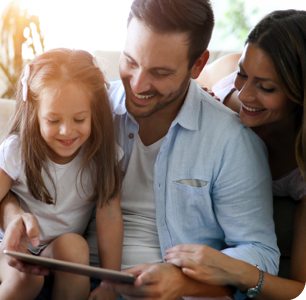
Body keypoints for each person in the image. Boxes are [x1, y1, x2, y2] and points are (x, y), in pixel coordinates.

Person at [0, 1, 280, 299]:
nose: (138, 83)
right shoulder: (85, 107)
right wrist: (14, 216)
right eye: (131, 61)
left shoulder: (231, 141)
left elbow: (261, 254)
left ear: (197, 65)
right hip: (58, 275)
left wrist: (186, 281)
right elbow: (20, 174)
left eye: (160, 72)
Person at [165, 9, 306, 300]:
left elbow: (302, 290)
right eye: (243, 74)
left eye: (265, 87)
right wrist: (196, 99)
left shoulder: (301, 168)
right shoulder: (223, 76)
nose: (244, 95)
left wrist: (236, 271)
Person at [0, 48, 123, 300]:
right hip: (10, 246)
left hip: (56, 250)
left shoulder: (103, 155)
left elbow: (109, 215)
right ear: (35, 113)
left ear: (94, 113)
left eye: (79, 119)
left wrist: (111, 283)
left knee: (76, 247)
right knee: (26, 278)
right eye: (53, 120)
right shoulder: (17, 149)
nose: (67, 131)